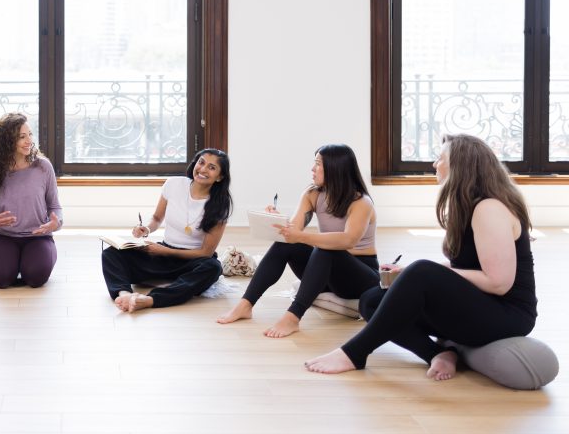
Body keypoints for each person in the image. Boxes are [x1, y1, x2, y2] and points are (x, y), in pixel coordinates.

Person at [305, 134, 537, 380]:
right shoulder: (468, 207)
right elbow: (468, 267)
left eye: (440, 159)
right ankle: (437, 353)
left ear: (460, 166)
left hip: (506, 315)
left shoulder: (489, 208)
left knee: (422, 270)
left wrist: (429, 273)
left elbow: (498, 283)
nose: (434, 165)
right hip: (479, 304)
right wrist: (410, 275)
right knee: (371, 300)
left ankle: (354, 353)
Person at [217, 144, 380, 337]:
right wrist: (278, 222)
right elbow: (295, 231)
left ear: (335, 168)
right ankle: (246, 304)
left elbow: (348, 240)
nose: (312, 169)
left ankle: (293, 317)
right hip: (326, 274)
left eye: (318, 164)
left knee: (325, 249)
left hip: (359, 276)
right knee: (287, 244)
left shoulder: (361, 202)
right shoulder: (312, 194)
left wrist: (300, 236)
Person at [101, 148, 231, 313]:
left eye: (212, 168)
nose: (203, 169)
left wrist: (166, 251)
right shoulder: (174, 184)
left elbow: (205, 252)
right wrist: (146, 229)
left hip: (192, 260)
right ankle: (124, 294)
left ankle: (151, 299)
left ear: (220, 177)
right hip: (162, 253)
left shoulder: (221, 205)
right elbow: (156, 219)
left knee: (213, 268)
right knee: (111, 254)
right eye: (201, 162)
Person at [0, 113, 63, 288]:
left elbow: (55, 206)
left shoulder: (43, 167)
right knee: (0, 279)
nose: (29, 140)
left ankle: (31, 261)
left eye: (30, 134)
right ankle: (15, 263)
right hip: (5, 237)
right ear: (6, 140)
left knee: (35, 278)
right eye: (21, 137)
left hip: (38, 236)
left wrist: (56, 223)